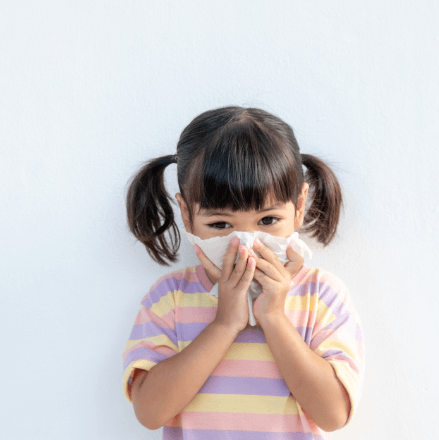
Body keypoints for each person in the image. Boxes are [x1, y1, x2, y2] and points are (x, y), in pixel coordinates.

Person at [122, 106, 364, 439]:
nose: (245, 243)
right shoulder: (170, 298)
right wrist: (224, 324)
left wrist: (275, 318)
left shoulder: (320, 295)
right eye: (220, 224)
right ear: (187, 214)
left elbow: (334, 415)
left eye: (267, 221)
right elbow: (150, 413)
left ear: (298, 207)